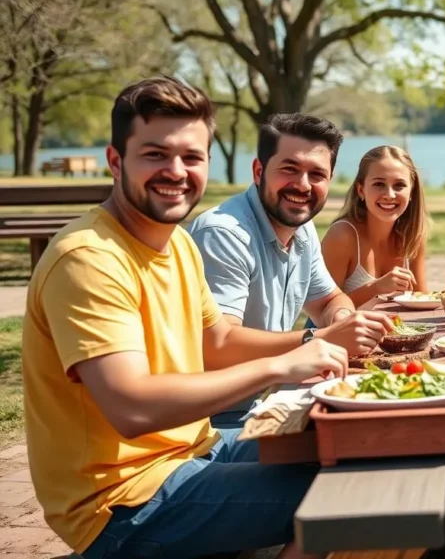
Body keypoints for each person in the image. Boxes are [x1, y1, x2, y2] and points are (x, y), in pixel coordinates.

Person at [21, 76, 349, 559]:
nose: (176, 171)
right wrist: (285, 361)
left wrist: (311, 343)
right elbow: (131, 409)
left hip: (197, 447)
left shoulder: (175, 244)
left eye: (192, 158)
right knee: (349, 501)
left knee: (361, 450)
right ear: (116, 162)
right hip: (123, 502)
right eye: (155, 154)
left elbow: (215, 340)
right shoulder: (88, 257)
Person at [187, 113, 393, 355]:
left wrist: (342, 320)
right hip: (234, 392)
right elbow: (220, 345)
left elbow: (329, 301)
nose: (303, 185)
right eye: (289, 169)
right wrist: (321, 338)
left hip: (277, 382)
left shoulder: (302, 230)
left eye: (317, 174)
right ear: (258, 171)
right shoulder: (223, 234)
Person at [320, 145, 430, 308]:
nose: (389, 195)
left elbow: (422, 302)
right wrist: (376, 288)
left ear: (412, 192)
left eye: (399, 185)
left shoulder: (412, 237)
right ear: (361, 190)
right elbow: (322, 310)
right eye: (379, 184)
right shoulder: (342, 235)